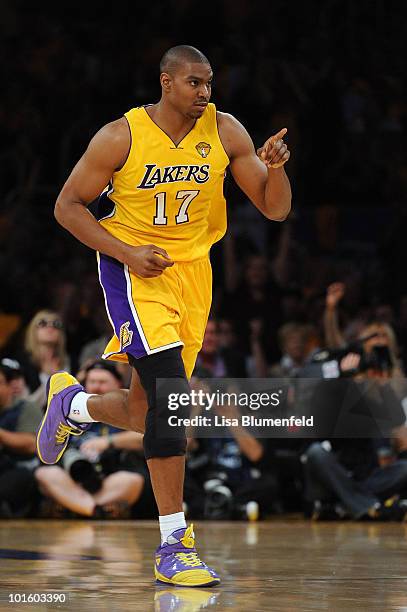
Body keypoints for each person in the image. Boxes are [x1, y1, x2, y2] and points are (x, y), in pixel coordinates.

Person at [36, 45, 291, 586]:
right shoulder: (121, 136)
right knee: (173, 403)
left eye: (210, 83)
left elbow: (274, 208)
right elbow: (67, 207)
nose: (204, 92)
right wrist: (128, 254)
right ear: (166, 82)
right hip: (133, 270)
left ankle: (73, 404)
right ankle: (175, 543)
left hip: (193, 276)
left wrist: (275, 171)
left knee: (149, 409)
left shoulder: (226, 132)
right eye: (194, 83)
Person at [35, 361, 148, 518]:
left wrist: (108, 442)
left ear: (119, 385)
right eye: (92, 382)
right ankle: (96, 510)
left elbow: (148, 435)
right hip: (72, 480)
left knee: (133, 480)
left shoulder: (129, 409)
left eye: (102, 382)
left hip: (109, 477)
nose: (96, 387)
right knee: (46, 473)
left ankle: (77, 507)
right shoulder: (71, 409)